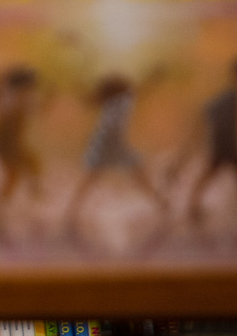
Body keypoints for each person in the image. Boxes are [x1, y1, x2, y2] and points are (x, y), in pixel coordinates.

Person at [64, 73, 167, 237]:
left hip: (109, 141)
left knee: (99, 176)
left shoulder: (116, 102)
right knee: (103, 175)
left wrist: (78, 87)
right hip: (109, 142)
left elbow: (92, 99)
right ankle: (160, 202)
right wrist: (153, 79)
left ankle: (160, 202)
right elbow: (138, 90)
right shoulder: (122, 102)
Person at [168, 56, 237, 225]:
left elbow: (213, 111)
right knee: (221, 174)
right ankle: (193, 205)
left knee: (235, 175)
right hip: (226, 143)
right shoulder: (233, 94)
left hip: (225, 142)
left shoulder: (233, 93)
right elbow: (214, 112)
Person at [0, 66, 43, 236]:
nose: (31, 90)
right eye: (30, 86)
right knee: (25, 169)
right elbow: (9, 123)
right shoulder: (13, 98)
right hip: (7, 143)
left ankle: (1, 214)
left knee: (16, 176)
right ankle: (31, 203)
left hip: (10, 143)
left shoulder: (13, 97)